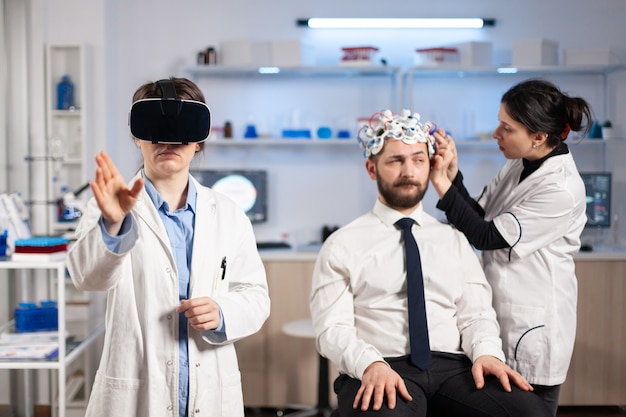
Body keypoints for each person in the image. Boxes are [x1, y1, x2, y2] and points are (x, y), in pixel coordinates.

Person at [309, 109, 552, 417]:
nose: (409, 171)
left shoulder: (453, 239)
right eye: (396, 160)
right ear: (372, 169)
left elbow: (476, 315)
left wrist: (488, 353)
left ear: (430, 166)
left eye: (418, 160)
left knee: (530, 413)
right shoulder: (342, 244)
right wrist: (370, 364)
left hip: (455, 367)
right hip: (382, 364)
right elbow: (332, 329)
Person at [66, 77, 270, 417]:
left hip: (209, 389)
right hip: (135, 391)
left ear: (199, 142)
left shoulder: (229, 215)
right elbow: (87, 279)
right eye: (154, 130)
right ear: (136, 136)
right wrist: (114, 224)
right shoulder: (107, 209)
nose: (168, 141)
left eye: (182, 130)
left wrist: (222, 313)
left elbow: (256, 296)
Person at [429, 79, 591, 415]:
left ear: (538, 136)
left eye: (506, 127)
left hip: (533, 325)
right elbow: (480, 216)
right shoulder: (520, 163)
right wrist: (452, 174)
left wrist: (443, 187)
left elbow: (486, 238)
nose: (495, 134)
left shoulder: (561, 188)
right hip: (499, 313)